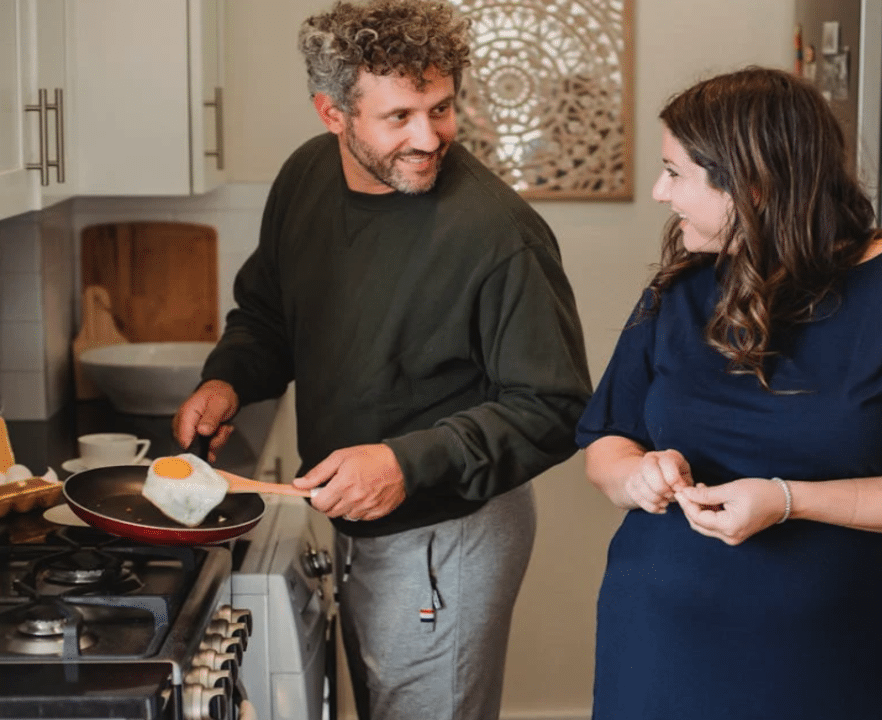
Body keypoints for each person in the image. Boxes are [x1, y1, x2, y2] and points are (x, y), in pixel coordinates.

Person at [171, 2, 592, 719]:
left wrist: (403, 464)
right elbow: (269, 313)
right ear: (332, 114)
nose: (428, 137)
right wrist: (229, 377)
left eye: (442, 108)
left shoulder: (497, 235)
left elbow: (551, 405)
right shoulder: (305, 178)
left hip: (445, 530)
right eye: (399, 117)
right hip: (359, 516)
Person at [576, 67, 882, 720]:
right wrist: (634, 475)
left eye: (676, 173)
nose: (659, 192)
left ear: (752, 186)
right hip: (660, 650)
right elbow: (606, 441)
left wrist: (788, 501)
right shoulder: (680, 290)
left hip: (842, 663)